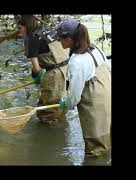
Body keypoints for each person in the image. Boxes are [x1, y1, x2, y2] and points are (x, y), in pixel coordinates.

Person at [55, 19, 111, 157]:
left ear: (69, 39)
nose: (59, 42)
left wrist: (66, 103)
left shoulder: (77, 61)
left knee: (95, 146)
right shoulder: (95, 48)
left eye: (60, 39)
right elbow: (109, 69)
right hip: (108, 94)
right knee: (108, 134)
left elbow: (74, 96)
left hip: (94, 102)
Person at [18, 15, 68, 126]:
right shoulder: (48, 30)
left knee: (46, 111)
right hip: (68, 70)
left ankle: (47, 135)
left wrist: (35, 76)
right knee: (61, 103)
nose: (19, 31)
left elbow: (36, 68)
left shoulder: (31, 40)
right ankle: (62, 127)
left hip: (55, 74)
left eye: (20, 28)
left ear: (27, 26)